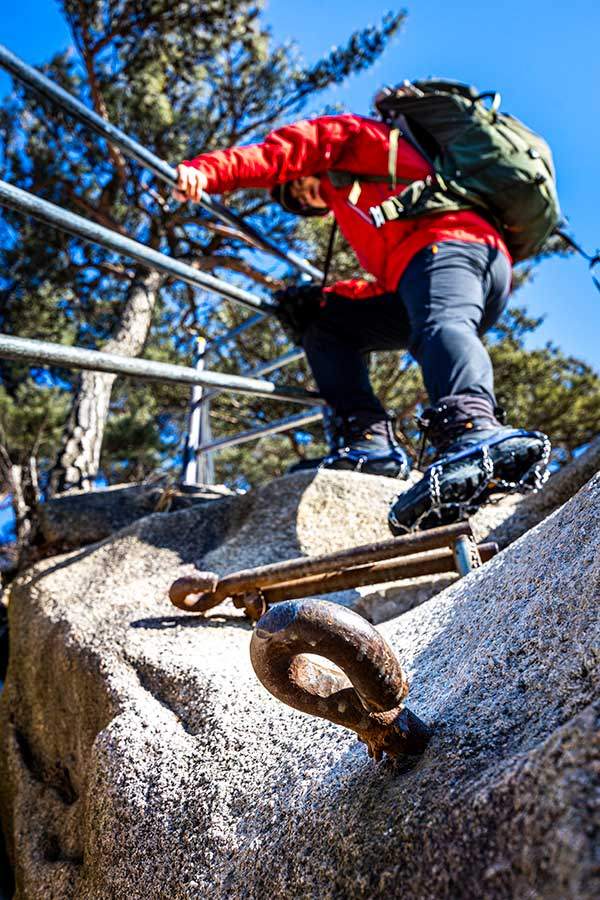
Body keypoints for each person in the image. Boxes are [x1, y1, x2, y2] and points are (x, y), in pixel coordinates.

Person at [174, 113, 550, 530]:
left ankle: (474, 430)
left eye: (297, 186)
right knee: (326, 327)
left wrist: (207, 171)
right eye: (299, 203)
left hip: (451, 243)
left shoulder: (356, 138)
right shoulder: (368, 205)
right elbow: (393, 285)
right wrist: (326, 300)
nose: (304, 197)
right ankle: (369, 445)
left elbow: (284, 151)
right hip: (446, 264)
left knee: (440, 324)